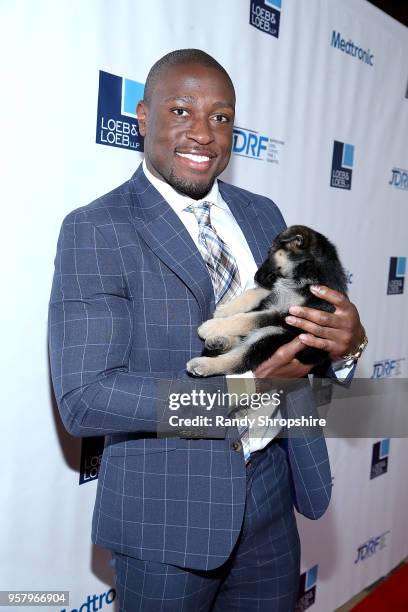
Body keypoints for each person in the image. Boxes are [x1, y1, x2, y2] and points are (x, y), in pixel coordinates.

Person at [48, 49, 365, 611]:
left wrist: (344, 344)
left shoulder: (263, 213)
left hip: (273, 490)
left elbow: (291, 336)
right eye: (181, 111)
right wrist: (246, 394)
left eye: (220, 117)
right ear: (143, 117)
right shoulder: (97, 228)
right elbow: (86, 397)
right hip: (166, 516)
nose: (203, 133)